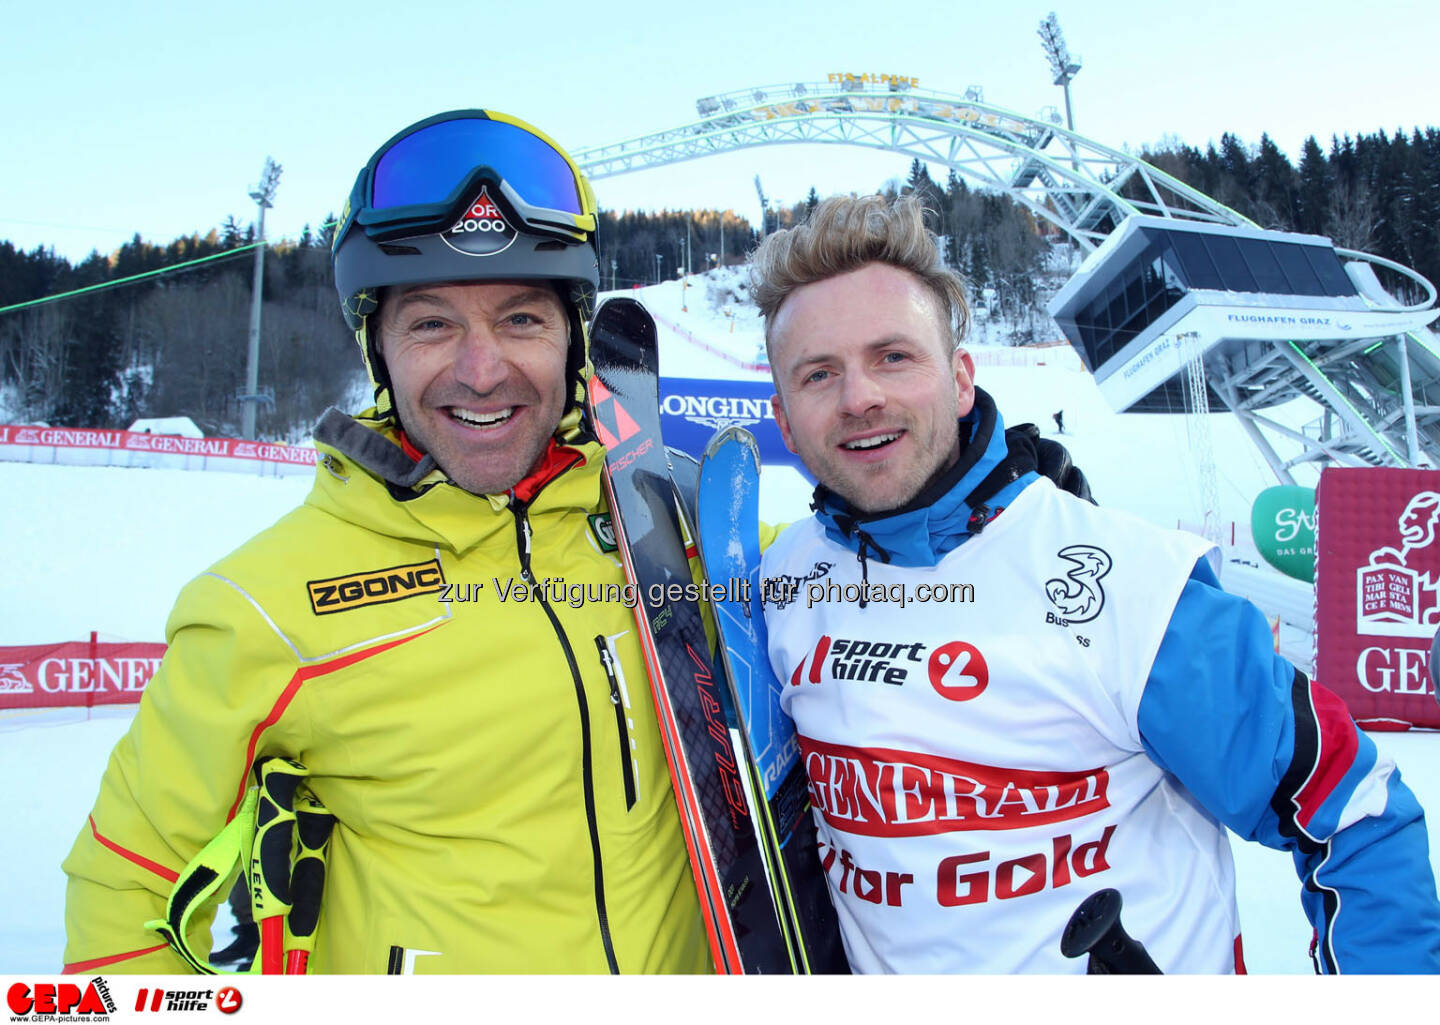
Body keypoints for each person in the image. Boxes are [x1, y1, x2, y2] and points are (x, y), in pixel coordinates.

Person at [61, 109, 713, 974]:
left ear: (574, 340)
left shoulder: (675, 527)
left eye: (522, 319)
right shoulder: (263, 606)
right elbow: (118, 905)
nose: (481, 370)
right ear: (378, 347)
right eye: (432, 324)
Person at [749, 194, 1440, 973]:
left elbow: (1355, 811)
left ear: (962, 377)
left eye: (893, 356)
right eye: (819, 374)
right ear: (783, 416)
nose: (859, 397)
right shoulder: (780, 584)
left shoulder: (1131, 586)